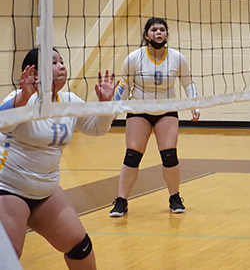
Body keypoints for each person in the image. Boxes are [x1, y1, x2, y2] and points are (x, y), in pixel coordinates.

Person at [0, 48, 117, 269]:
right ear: (34, 72)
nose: (62, 66)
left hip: (46, 191)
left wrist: (105, 106)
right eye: (53, 62)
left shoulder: (69, 100)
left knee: (80, 247)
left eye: (61, 61)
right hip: (8, 188)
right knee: (8, 256)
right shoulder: (20, 99)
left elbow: (96, 128)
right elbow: (2, 121)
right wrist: (24, 96)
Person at [109, 17, 200, 217]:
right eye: (154, 30)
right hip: (139, 110)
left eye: (162, 29)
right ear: (146, 34)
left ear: (166, 33)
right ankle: (121, 200)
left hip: (166, 110)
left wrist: (194, 105)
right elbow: (124, 86)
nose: (158, 33)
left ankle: (175, 197)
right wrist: (113, 110)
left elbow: (188, 83)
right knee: (132, 155)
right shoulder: (134, 58)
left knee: (169, 155)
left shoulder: (177, 58)